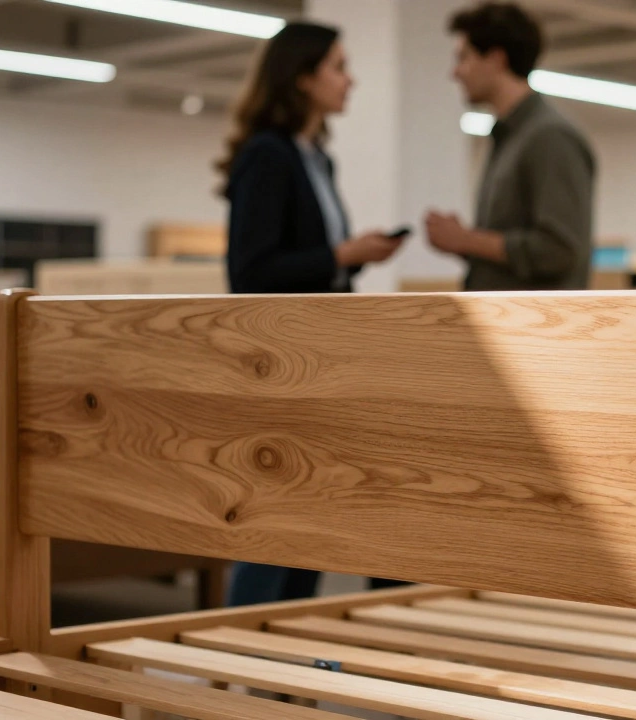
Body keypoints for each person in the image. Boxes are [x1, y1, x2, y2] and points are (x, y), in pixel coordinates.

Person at [217, 21, 409, 605]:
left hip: (320, 362)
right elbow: (250, 272)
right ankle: (241, 654)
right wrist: (343, 254)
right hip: (279, 364)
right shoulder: (267, 157)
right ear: (302, 78)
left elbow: (307, 262)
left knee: (312, 526)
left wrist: (349, 261)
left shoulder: (316, 159)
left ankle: (288, 669)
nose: (350, 80)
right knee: (275, 525)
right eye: (339, 67)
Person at [426, 2, 597, 291]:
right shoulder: (509, 136)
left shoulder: (549, 137)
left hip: (535, 329)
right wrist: (467, 244)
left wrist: (467, 240)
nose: (456, 72)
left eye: (463, 58)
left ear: (495, 59)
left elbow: (560, 250)